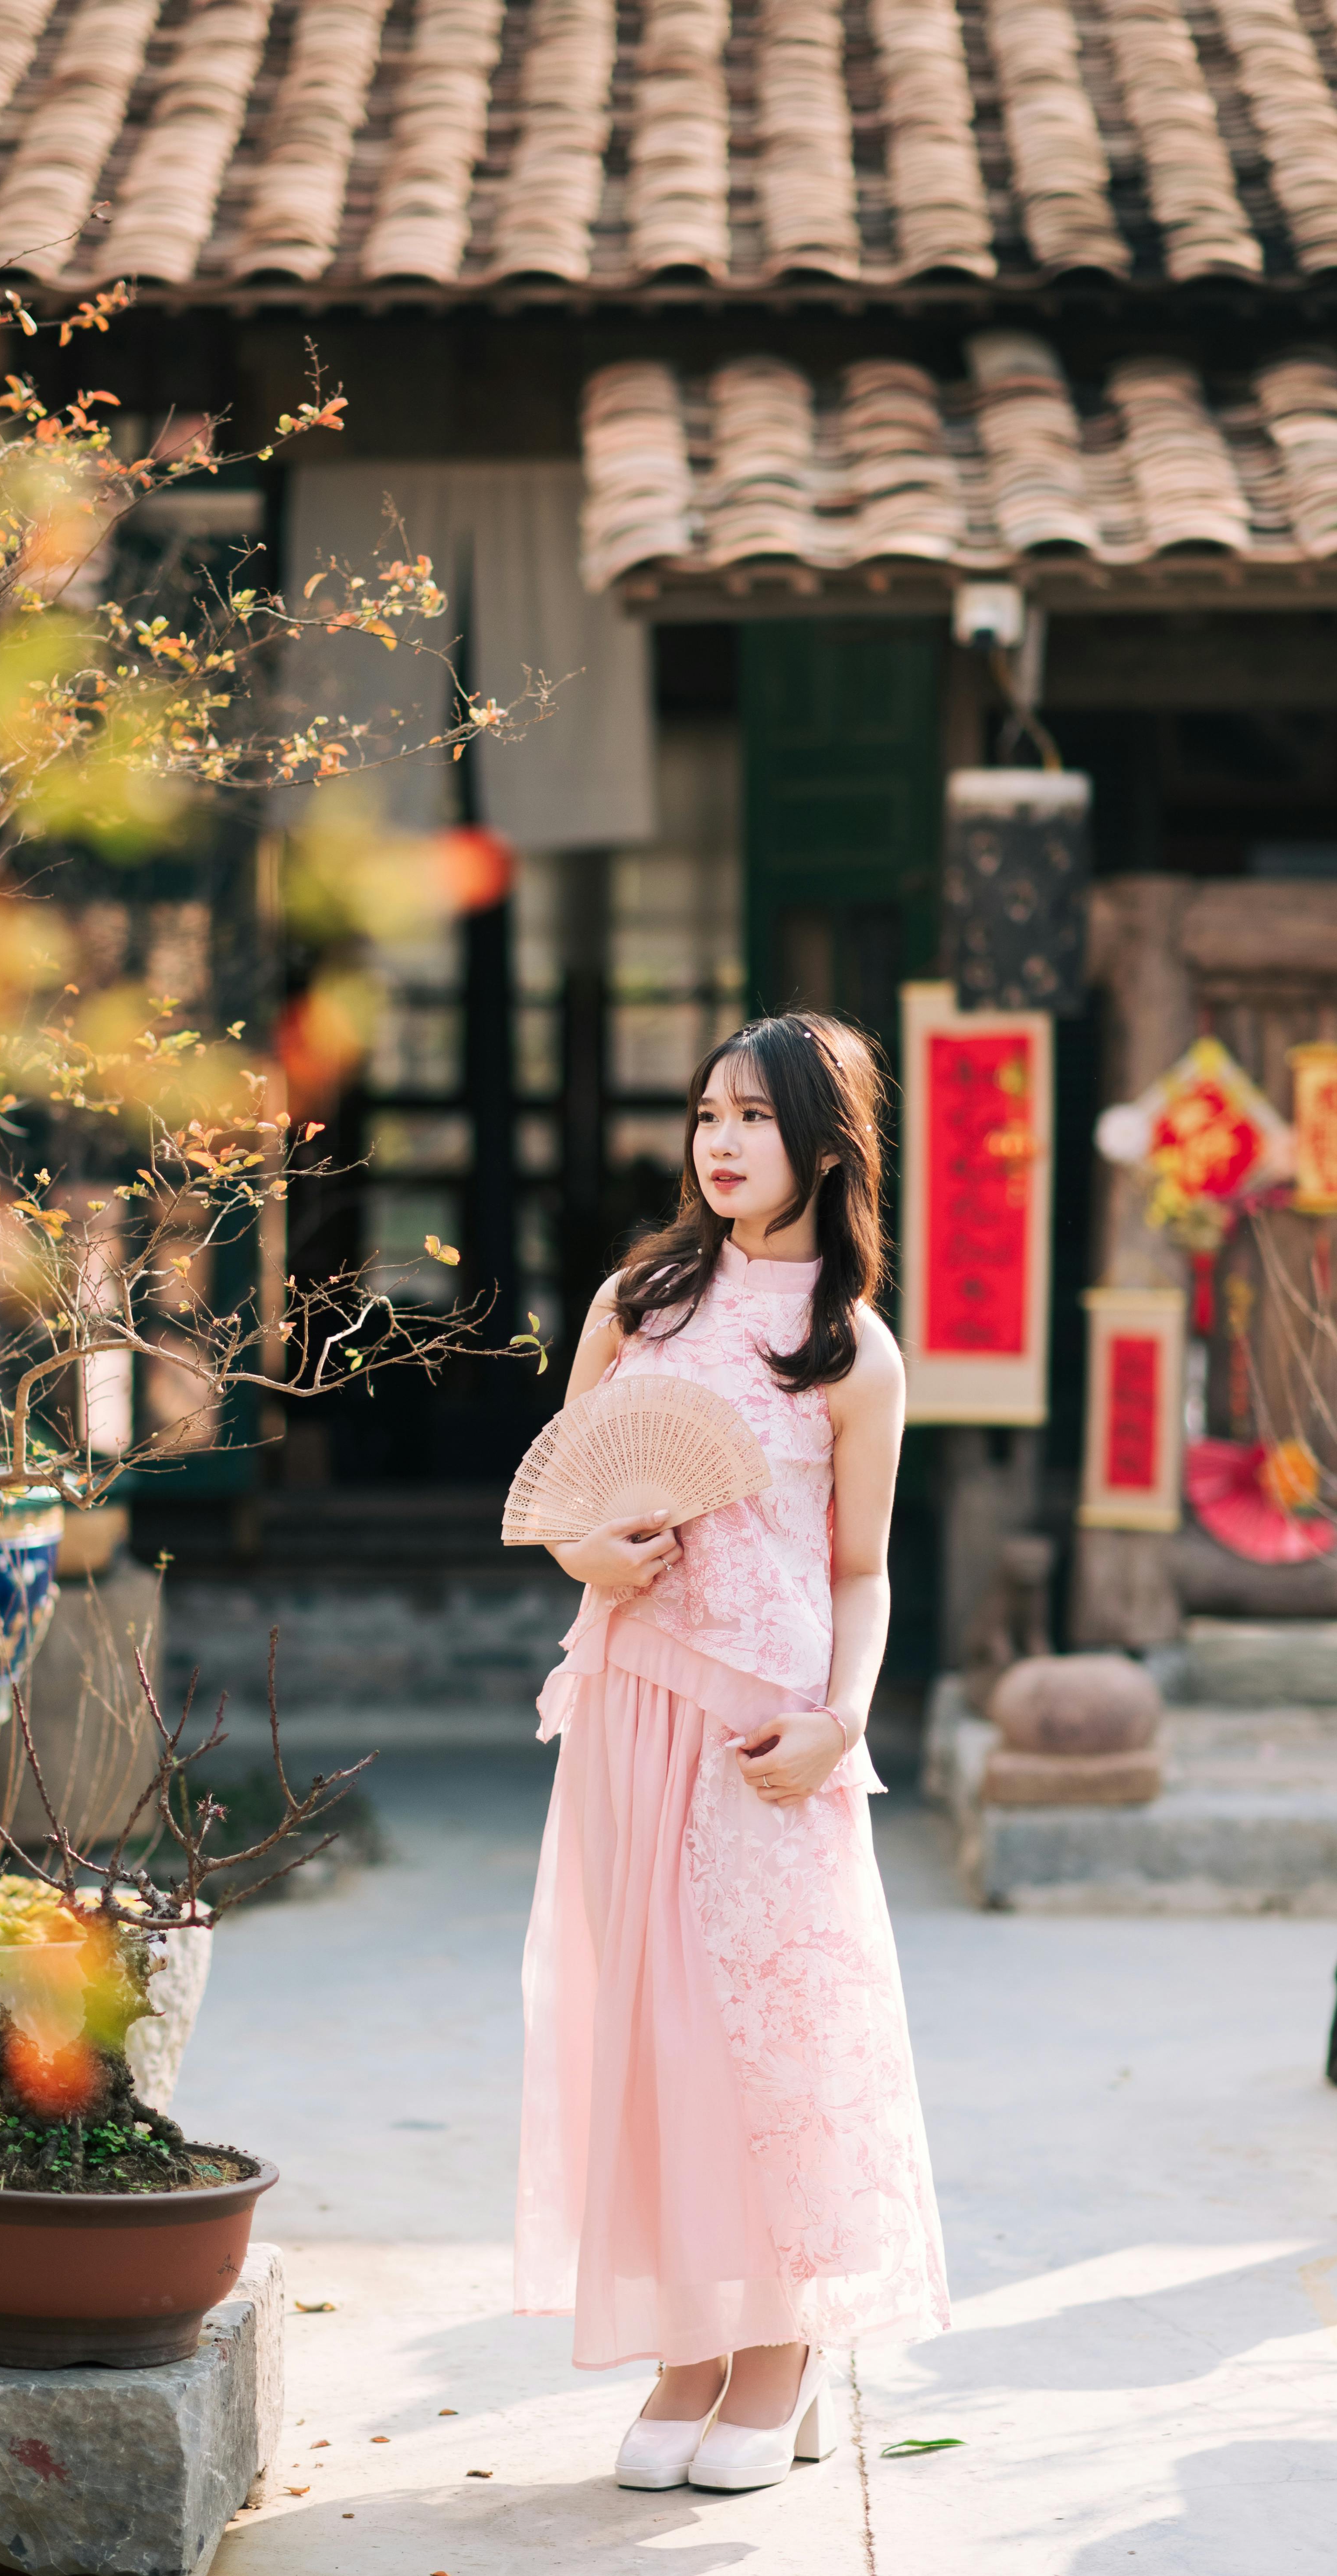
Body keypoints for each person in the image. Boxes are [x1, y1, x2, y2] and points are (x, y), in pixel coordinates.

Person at [514, 1011, 949, 2494]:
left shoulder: (853, 1348)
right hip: (631, 1702)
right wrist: (596, 1555)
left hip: (769, 1731)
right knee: (644, 2036)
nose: (718, 1141)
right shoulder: (635, 1301)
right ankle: (687, 2346)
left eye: (752, 1118)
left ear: (825, 1147)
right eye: (705, 1113)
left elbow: (861, 1569)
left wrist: (841, 1722)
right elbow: (565, 1497)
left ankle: (783, 2347)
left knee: (771, 2038)